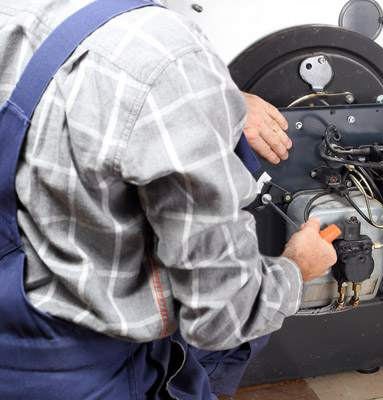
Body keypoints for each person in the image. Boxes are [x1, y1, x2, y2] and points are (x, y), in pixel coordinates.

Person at [0, 0, 337, 398]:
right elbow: (222, 316)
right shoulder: (169, 56)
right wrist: (297, 268)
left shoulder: (16, 17)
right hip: (91, 372)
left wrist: (213, 101)